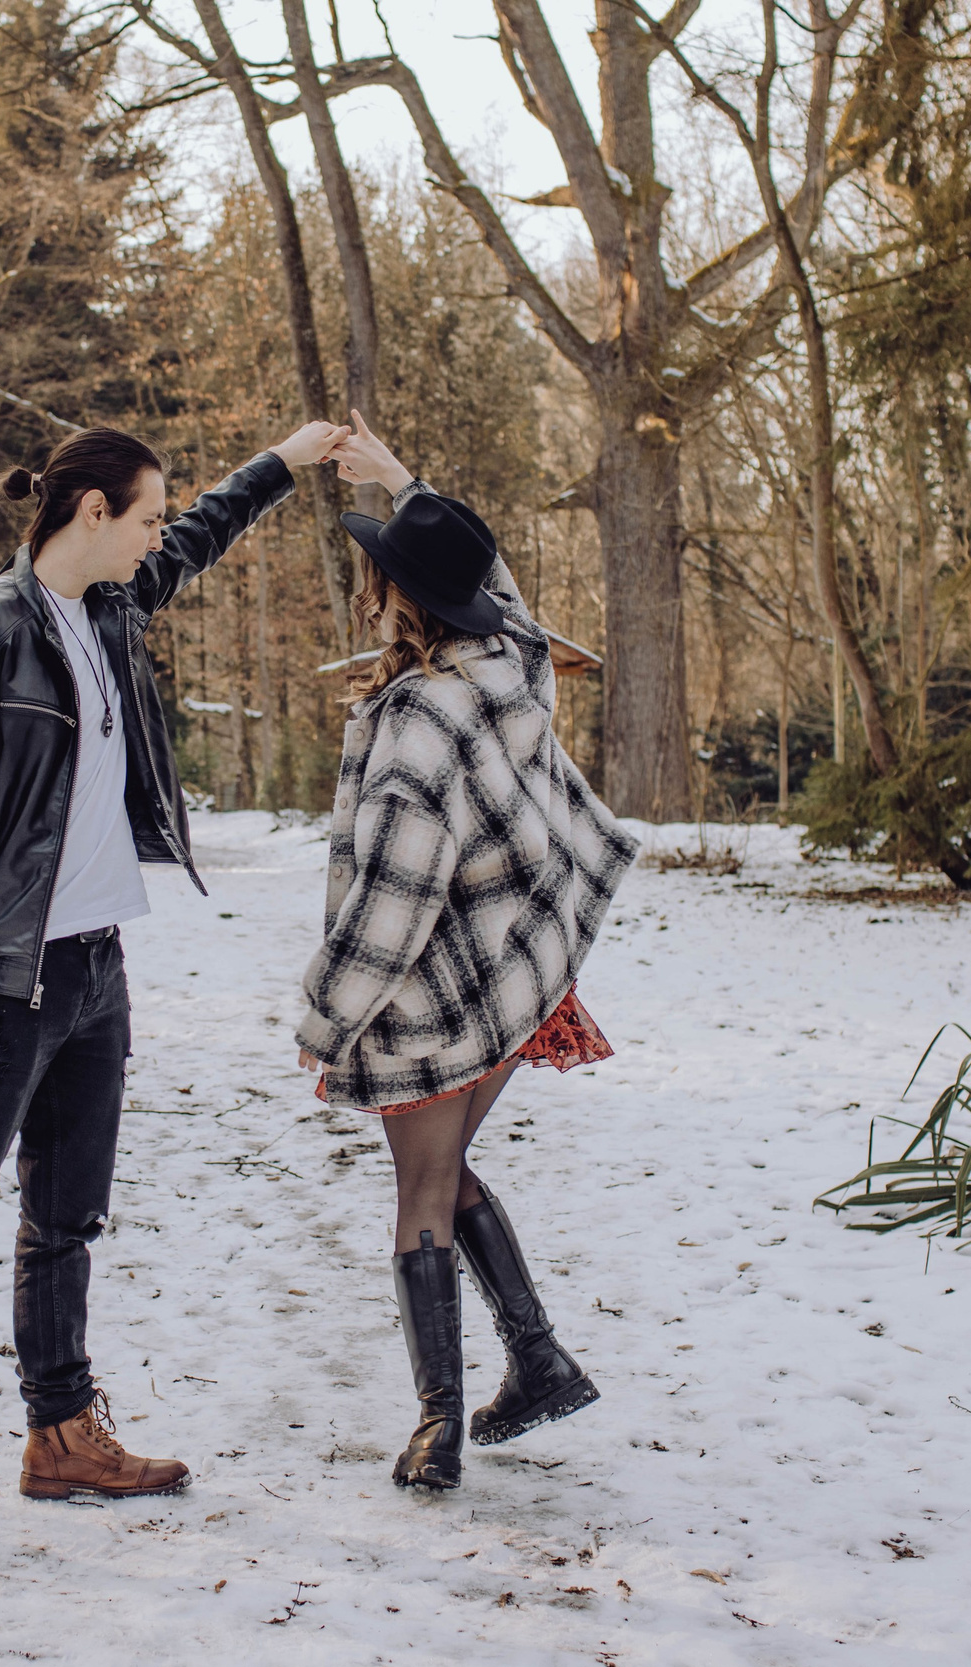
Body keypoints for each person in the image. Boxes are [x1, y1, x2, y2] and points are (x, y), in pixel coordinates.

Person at [0, 418, 350, 1542]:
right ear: (91, 513)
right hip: (5, 974)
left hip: (97, 962)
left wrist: (284, 465)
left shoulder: (108, 606)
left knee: (67, 1216)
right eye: (144, 515)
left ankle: (60, 1436)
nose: (160, 533)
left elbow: (202, 536)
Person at [294, 412, 639, 1492]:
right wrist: (403, 480)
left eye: (380, 571)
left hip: (434, 995)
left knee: (421, 1194)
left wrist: (323, 1017)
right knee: (444, 1174)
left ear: (398, 600)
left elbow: (391, 900)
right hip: (519, 974)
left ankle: (438, 1429)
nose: (370, 584)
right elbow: (496, 582)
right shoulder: (513, 662)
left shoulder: (419, 724)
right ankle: (536, 1361)